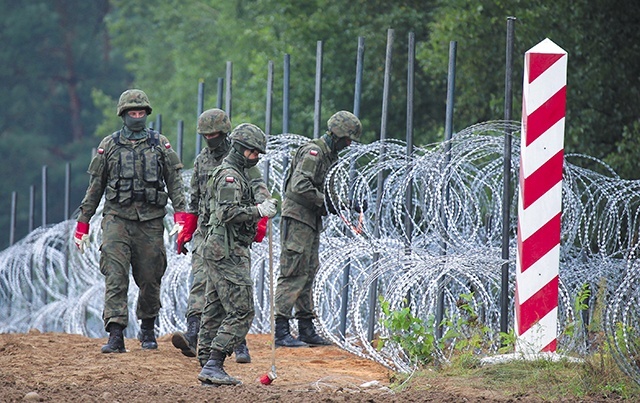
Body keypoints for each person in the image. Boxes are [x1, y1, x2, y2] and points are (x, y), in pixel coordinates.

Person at [73, 89, 188, 353]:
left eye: (140, 113)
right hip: (117, 219)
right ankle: (116, 333)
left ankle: (148, 329)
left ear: (146, 114)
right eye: (132, 113)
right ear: (123, 115)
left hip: (151, 221)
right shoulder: (110, 146)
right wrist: (83, 224)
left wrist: (182, 216)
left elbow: (175, 183)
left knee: (150, 278)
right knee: (115, 276)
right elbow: (95, 188)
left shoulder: (160, 144)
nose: (136, 117)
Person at [171, 109, 269, 364]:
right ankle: (194, 335)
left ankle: (239, 345)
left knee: (233, 290)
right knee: (203, 283)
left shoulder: (242, 157)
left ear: (225, 134)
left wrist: (260, 219)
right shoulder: (202, 160)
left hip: (234, 231)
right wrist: (187, 230)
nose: (210, 139)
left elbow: (260, 190)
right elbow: (195, 198)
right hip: (208, 230)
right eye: (206, 135)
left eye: (214, 134)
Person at [197, 123, 278, 385]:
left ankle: (206, 362)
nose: (256, 158)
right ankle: (213, 363)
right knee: (243, 310)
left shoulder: (235, 173)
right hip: (227, 250)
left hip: (221, 248)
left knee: (216, 307)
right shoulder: (229, 176)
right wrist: (258, 211)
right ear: (244, 150)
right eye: (254, 153)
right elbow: (226, 212)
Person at [274, 110, 363, 347]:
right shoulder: (314, 153)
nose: (348, 144)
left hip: (310, 220)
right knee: (293, 271)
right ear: (337, 134)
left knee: (309, 270)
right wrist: (326, 202)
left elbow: (325, 193)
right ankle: (280, 329)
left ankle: (306, 327)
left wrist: (346, 205)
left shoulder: (328, 156)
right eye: (347, 139)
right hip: (298, 219)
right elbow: (299, 186)